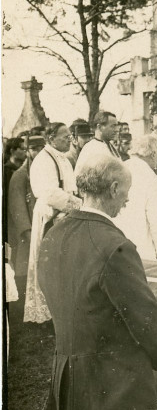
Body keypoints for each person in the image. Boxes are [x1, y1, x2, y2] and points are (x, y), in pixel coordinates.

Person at [39, 154, 157, 410]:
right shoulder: (114, 245)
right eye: (126, 191)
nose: (127, 199)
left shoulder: (54, 235)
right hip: (115, 390)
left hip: (69, 386)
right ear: (113, 189)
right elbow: (148, 320)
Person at [25, 123, 83, 323]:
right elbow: (49, 192)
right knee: (50, 266)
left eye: (70, 136)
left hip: (63, 214)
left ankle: (65, 306)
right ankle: (50, 310)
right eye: (65, 136)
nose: (70, 139)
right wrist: (78, 204)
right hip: (51, 215)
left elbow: (70, 187)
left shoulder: (63, 158)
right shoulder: (43, 160)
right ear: (51, 138)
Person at [114, 134, 157, 262]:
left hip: (116, 248)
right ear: (153, 154)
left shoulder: (117, 170)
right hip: (142, 253)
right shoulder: (152, 180)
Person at [6, 136, 44, 326]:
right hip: (25, 235)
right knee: (23, 271)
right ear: (28, 151)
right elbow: (18, 210)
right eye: (34, 149)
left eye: (41, 148)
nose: (38, 153)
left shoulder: (40, 172)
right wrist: (29, 234)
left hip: (39, 231)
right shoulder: (19, 176)